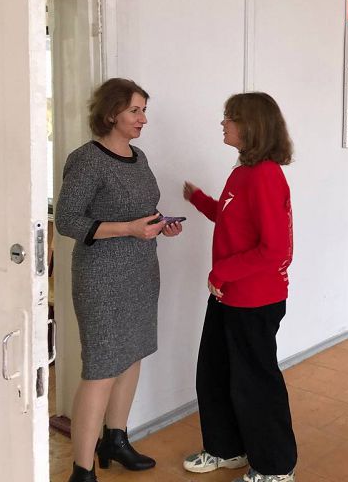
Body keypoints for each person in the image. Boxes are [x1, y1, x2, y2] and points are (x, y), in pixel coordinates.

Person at [55, 78, 183, 482]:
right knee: (101, 368)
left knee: (132, 355)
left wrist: (160, 224)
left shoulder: (138, 157)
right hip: (101, 279)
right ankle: (82, 469)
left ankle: (116, 439)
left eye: (144, 110)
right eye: (135, 110)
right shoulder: (87, 159)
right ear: (111, 113)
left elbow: (140, 209)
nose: (143, 119)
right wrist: (128, 229)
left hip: (141, 272)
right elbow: (67, 220)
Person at [182, 92, 297, 482]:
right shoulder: (242, 172)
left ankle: (275, 468)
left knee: (255, 384)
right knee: (214, 373)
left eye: (230, 117)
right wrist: (199, 200)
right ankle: (226, 449)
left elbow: (276, 249)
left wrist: (222, 272)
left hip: (255, 299)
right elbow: (233, 220)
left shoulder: (266, 174)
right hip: (228, 295)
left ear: (252, 126)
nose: (223, 123)